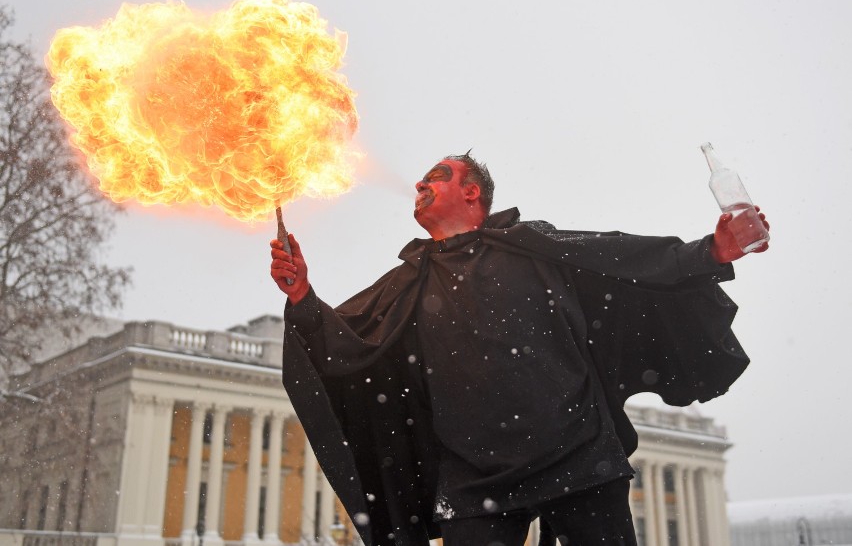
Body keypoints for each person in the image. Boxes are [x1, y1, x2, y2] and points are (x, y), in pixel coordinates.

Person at [269, 152, 768, 546]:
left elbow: (621, 257)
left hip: (577, 459)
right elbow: (350, 346)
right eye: (421, 179)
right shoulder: (411, 282)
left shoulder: (531, 247)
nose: (420, 184)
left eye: (436, 176)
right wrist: (302, 298)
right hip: (473, 481)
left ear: (471, 193)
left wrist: (712, 250)